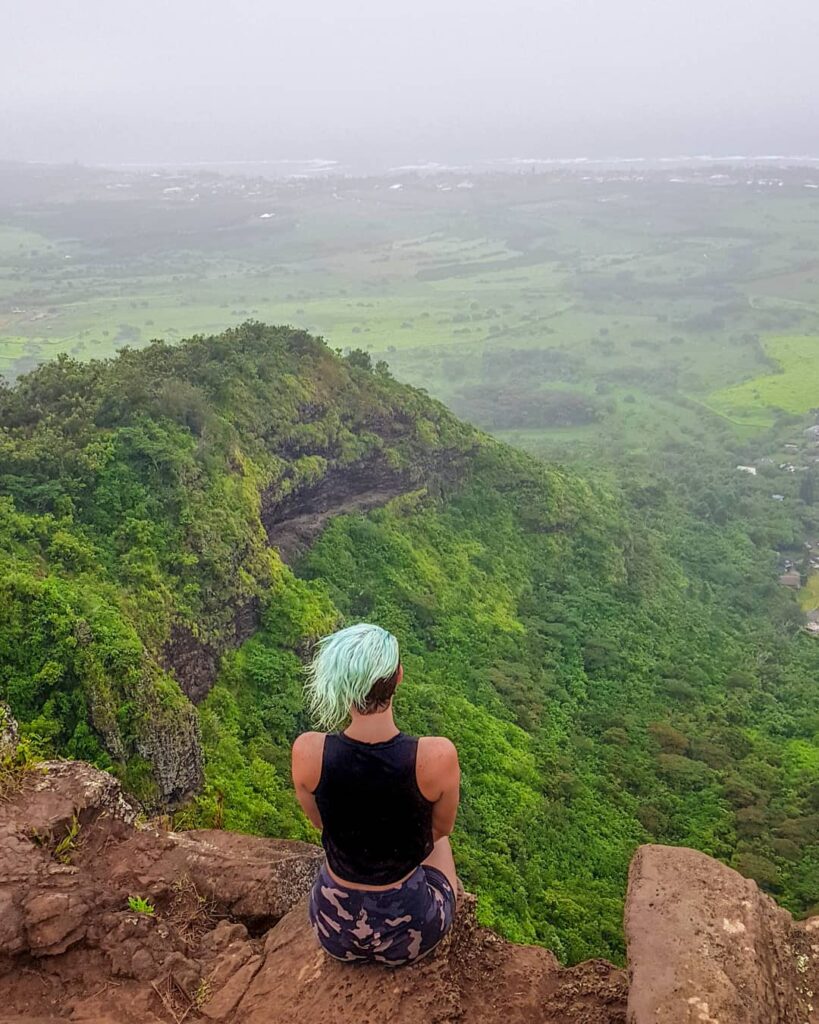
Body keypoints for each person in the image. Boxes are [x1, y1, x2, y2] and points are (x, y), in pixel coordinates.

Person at [291, 622, 460, 966]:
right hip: (409, 931)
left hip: (333, 928)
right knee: (441, 843)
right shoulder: (436, 756)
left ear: (340, 682)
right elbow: (440, 831)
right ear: (399, 676)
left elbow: (320, 824)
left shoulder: (308, 751)